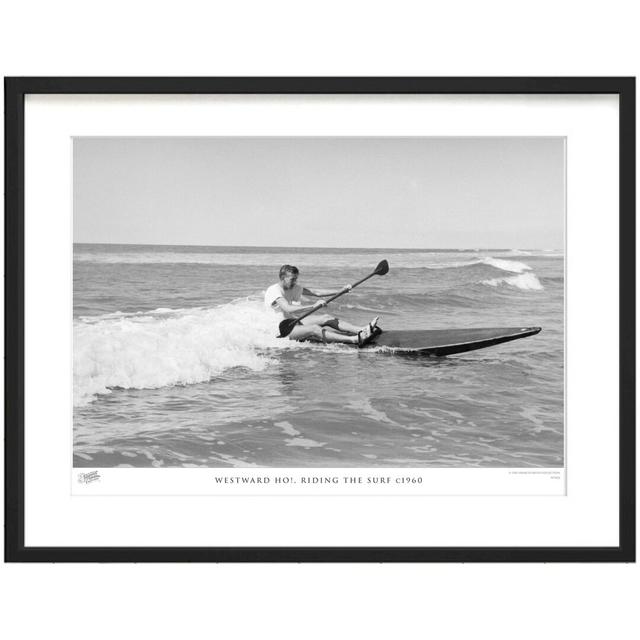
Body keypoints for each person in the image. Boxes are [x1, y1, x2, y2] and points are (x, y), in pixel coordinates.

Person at [265, 264, 380, 346]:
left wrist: (340, 291)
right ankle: (354, 339)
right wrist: (313, 306)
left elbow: (316, 293)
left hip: (292, 322)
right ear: (282, 278)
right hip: (280, 330)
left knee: (326, 318)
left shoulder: (294, 287)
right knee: (315, 329)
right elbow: (288, 308)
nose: (295, 282)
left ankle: (361, 330)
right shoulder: (274, 290)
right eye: (292, 279)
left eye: (296, 279)